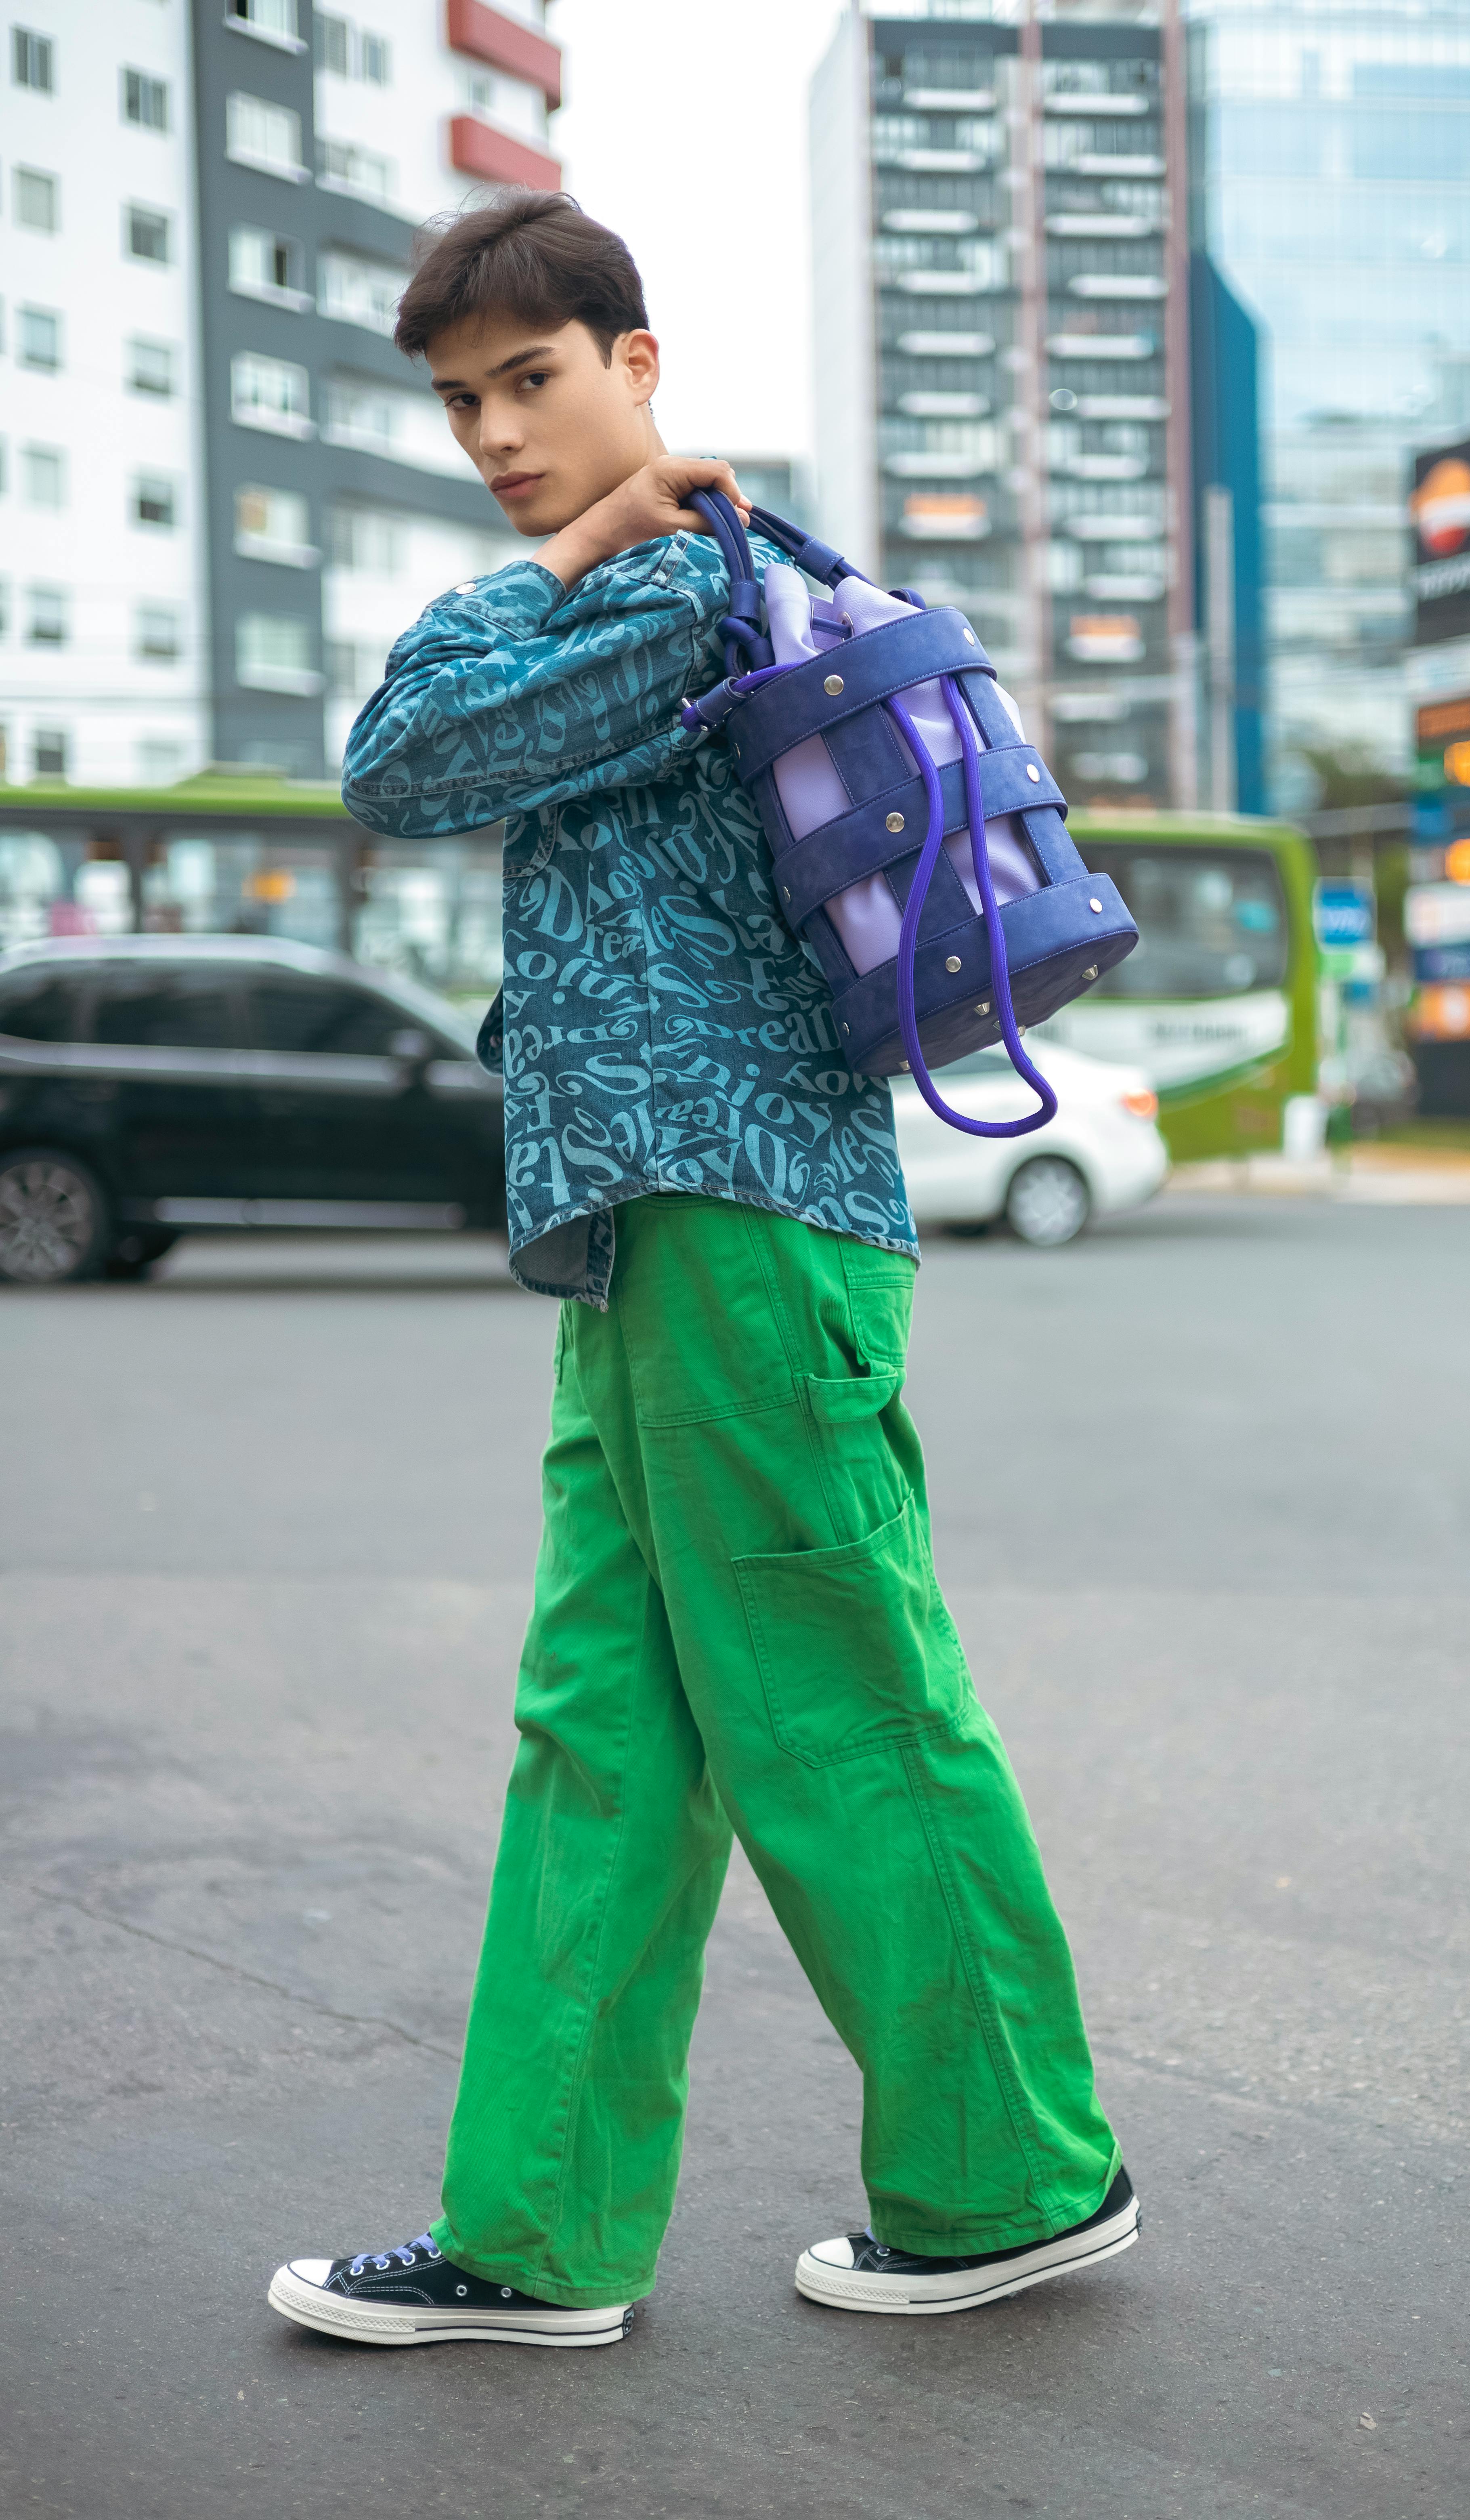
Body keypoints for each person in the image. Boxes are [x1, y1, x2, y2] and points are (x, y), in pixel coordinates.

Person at [267, 191, 1136, 2352]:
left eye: (532, 383)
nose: (494, 433)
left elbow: (398, 759)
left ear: (638, 365)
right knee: (608, 1730)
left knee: (836, 1691)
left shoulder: (697, 597)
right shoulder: (636, 582)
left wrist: (598, 545)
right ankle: (537, 2230)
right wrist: (576, 540)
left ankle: (1016, 2173)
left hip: (740, 1212)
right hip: (640, 1225)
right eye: (463, 402)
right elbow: (436, 717)